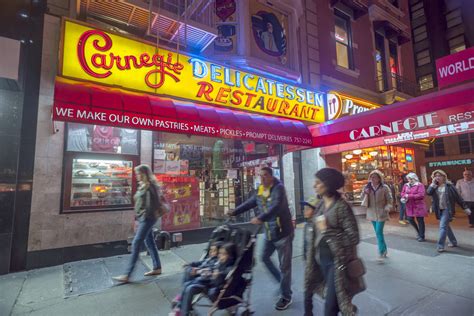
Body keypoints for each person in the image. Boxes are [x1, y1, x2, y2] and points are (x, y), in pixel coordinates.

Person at [229, 166, 294, 311]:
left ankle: (286, 296)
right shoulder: (260, 190)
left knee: (285, 267)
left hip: (283, 233)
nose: (262, 178)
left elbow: (276, 207)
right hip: (270, 233)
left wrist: (260, 217)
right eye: (260, 176)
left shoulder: (279, 189)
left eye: (265, 175)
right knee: (264, 257)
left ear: (271, 176)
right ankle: (282, 282)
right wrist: (234, 211)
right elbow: (251, 202)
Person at [304, 168, 363, 316]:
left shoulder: (342, 207)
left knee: (330, 308)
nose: (314, 186)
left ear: (328, 185)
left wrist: (327, 230)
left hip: (336, 264)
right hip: (319, 261)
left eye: (318, 183)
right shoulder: (320, 205)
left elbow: (353, 237)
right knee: (330, 299)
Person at [113, 164, 163, 283]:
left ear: (144, 174)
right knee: (149, 241)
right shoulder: (143, 186)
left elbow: (154, 204)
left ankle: (127, 275)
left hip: (148, 218)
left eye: (138, 173)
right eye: (136, 174)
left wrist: (145, 215)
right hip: (143, 218)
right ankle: (157, 267)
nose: (137, 176)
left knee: (136, 243)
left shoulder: (150, 186)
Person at [172, 243, 238, 316]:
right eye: (220, 253)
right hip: (205, 281)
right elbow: (209, 269)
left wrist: (217, 276)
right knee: (187, 284)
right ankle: (181, 307)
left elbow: (220, 281)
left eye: (223, 254)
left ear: (230, 256)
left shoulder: (228, 267)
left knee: (190, 288)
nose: (220, 256)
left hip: (210, 286)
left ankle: (183, 311)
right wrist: (205, 271)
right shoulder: (219, 262)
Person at [427, 170, 471, 252]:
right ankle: (453, 241)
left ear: (444, 177)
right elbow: (428, 192)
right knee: (446, 226)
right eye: (436, 175)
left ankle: (440, 245)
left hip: (447, 209)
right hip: (439, 209)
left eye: (439, 175)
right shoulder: (434, 186)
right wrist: (433, 184)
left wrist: (465, 208)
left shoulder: (449, 186)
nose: (437, 177)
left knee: (442, 226)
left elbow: (458, 198)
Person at [361, 170, 393, 262]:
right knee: (378, 233)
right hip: (371, 213)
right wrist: (365, 193)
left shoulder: (384, 187)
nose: (372, 179)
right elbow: (361, 198)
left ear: (379, 178)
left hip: (381, 212)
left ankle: (381, 251)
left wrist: (387, 207)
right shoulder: (367, 187)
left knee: (379, 232)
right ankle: (384, 249)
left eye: (374, 177)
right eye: (371, 177)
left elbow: (390, 199)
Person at [401, 173, 428, 242]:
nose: (409, 180)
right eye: (408, 179)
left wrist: (409, 196)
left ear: (414, 178)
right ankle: (418, 232)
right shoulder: (405, 185)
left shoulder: (419, 185)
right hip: (409, 205)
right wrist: (404, 196)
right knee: (410, 219)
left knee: (420, 221)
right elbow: (402, 193)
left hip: (418, 206)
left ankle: (422, 236)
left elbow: (421, 195)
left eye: (410, 178)